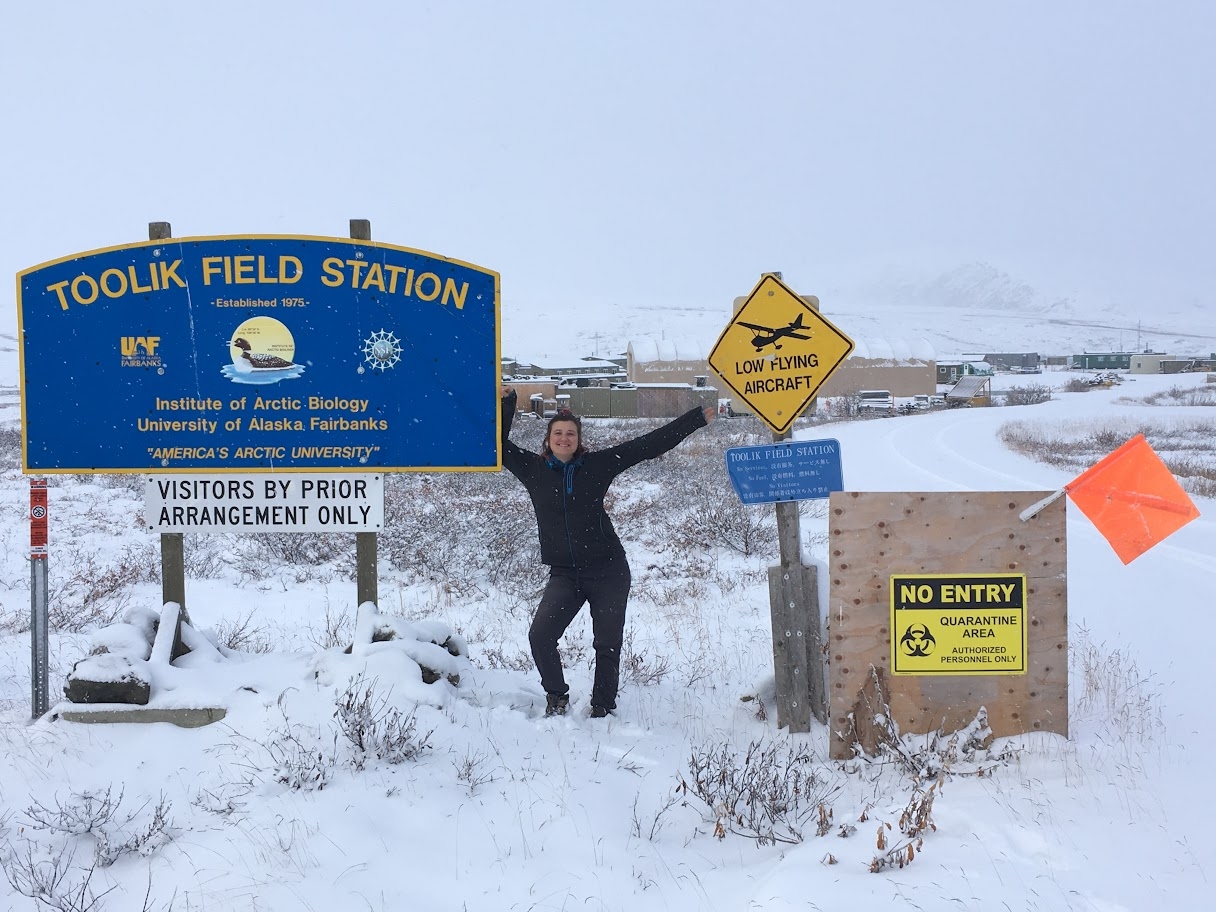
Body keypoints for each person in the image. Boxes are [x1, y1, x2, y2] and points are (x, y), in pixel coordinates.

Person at [500, 387, 715, 718]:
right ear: (548, 439)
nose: (564, 438)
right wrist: (507, 402)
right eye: (558, 433)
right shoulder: (532, 469)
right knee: (541, 635)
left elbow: (647, 446)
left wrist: (695, 419)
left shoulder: (597, 465)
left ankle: (603, 705)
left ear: (578, 438)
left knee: (607, 643)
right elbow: (497, 444)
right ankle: (556, 696)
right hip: (565, 573)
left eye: (570, 433)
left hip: (608, 570)